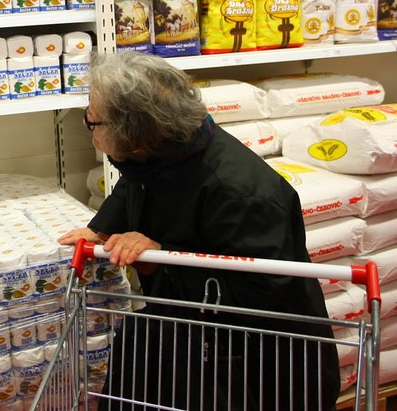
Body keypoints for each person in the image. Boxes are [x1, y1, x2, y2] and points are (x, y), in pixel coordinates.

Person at [59, 51, 339, 410]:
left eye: (93, 121)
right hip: (199, 342)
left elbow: (257, 292)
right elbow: (135, 183)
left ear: (135, 135)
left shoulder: (241, 193)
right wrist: (98, 229)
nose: (87, 125)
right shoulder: (166, 150)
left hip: (259, 365)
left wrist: (160, 258)